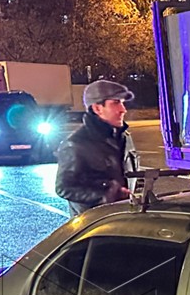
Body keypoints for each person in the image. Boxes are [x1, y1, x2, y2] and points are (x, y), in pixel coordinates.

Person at [55, 79, 139, 216]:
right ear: (97, 108)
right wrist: (105, 193)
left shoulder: (124, 137)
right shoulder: (76, 143)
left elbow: (133, 176)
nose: (123, 110)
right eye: (116, 103)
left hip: (123, 219)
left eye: (122, 103)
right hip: (95, 226)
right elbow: (64, 187)